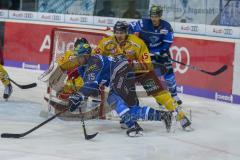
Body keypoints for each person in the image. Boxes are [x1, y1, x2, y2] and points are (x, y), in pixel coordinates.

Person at [93, 20, 191, 130]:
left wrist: (131, 64)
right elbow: (95, 58)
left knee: (160, 94)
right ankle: (130, 118)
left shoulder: (137, 43)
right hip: (124, 76)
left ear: (127, 32)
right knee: (123, 95)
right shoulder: (106, 42)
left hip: (142, 72)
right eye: (116, 32)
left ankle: (181, 116)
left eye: (121, 32)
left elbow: (147, 64)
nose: (119, 35)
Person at [67, 47, 172, 136]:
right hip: (125, 72)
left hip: (120, 71)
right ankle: (163, 115)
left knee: (113, 98)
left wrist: (79, 95)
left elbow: (90, 84)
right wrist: (80, 98)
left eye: (78, 57)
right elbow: (93, 89)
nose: (76, 59)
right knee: (132, 109)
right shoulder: (84, 68)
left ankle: (134, 127)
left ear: (86, 55)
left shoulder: (93, 61)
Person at [128, 5, 182, 105]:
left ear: (160, 16)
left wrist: (160, 51)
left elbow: (167, 43)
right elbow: (129, 27)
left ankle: (174, 95)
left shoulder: (166, 26)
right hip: (145, 52)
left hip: (161, 52)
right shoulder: (143, 23)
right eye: (152, 16)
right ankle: (160, 97)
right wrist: (132, 40)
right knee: (151, 76)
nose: (154, 19)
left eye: (156, 16)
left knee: (169, 75)